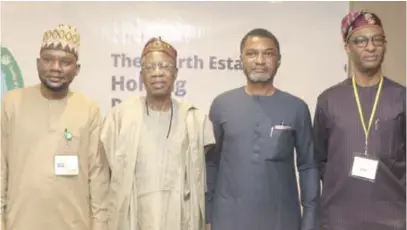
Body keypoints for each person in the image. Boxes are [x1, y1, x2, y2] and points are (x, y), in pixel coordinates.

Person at [206, 28, 320, 230]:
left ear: (279, 60)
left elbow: (308, 166)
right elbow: (211, 164)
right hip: (229, 220)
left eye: (268, 53)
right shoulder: (222, 105)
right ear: (241, 59)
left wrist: (310, 220)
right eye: (252, 53)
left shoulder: (296, 108)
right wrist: (207, 215)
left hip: (281, 220)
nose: (260, 60)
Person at [0, 24, 110, 230]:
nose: (55, 68)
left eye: (65, 62)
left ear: (77, 69)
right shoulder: (11, 104)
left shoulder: (89, 110)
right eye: (48, 59)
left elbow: (98, 180)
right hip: (21, 223)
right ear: (37, 63)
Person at [100, 37, 215, 230]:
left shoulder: (194, 119)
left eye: (165, 66)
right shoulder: (119, 118)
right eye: (150, 67)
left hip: (180, 218)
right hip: (134, 219)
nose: (157, 73)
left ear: (176, 73)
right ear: (141, 74)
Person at [313, 10, 406, 230]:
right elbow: (319, 159)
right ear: (348, 47)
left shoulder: (402, 97)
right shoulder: (328, 99)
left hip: (393, 219)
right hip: (339, 219)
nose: (371, 47)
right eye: (361, 41)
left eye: (377, 39)